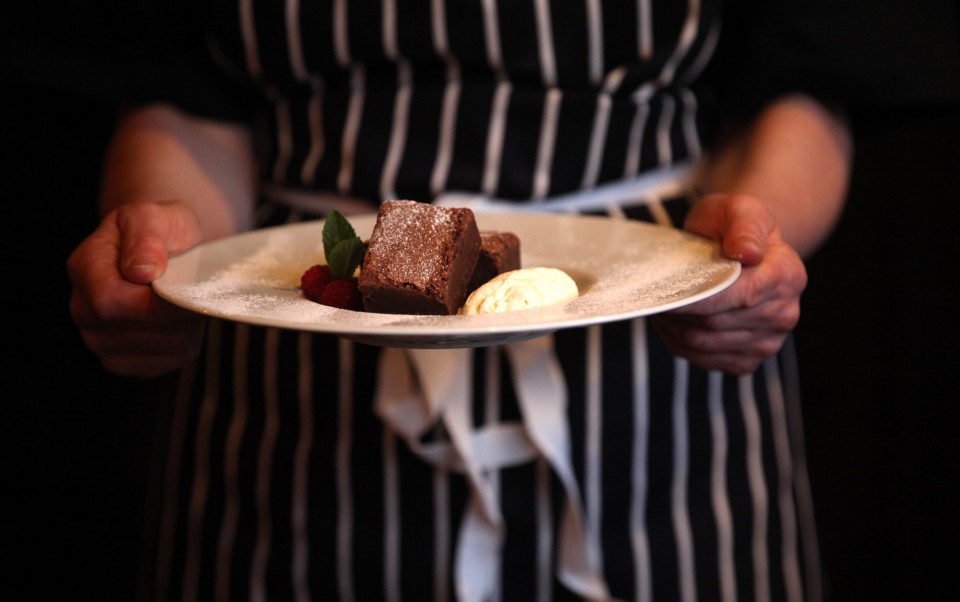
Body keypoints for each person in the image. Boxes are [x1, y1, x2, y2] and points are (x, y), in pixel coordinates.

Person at [64, 1, 853, 600]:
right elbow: (179, 94)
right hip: (291, 376)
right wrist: (165, 244)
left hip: (660, 358)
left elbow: (803, 73)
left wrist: (752, 237)